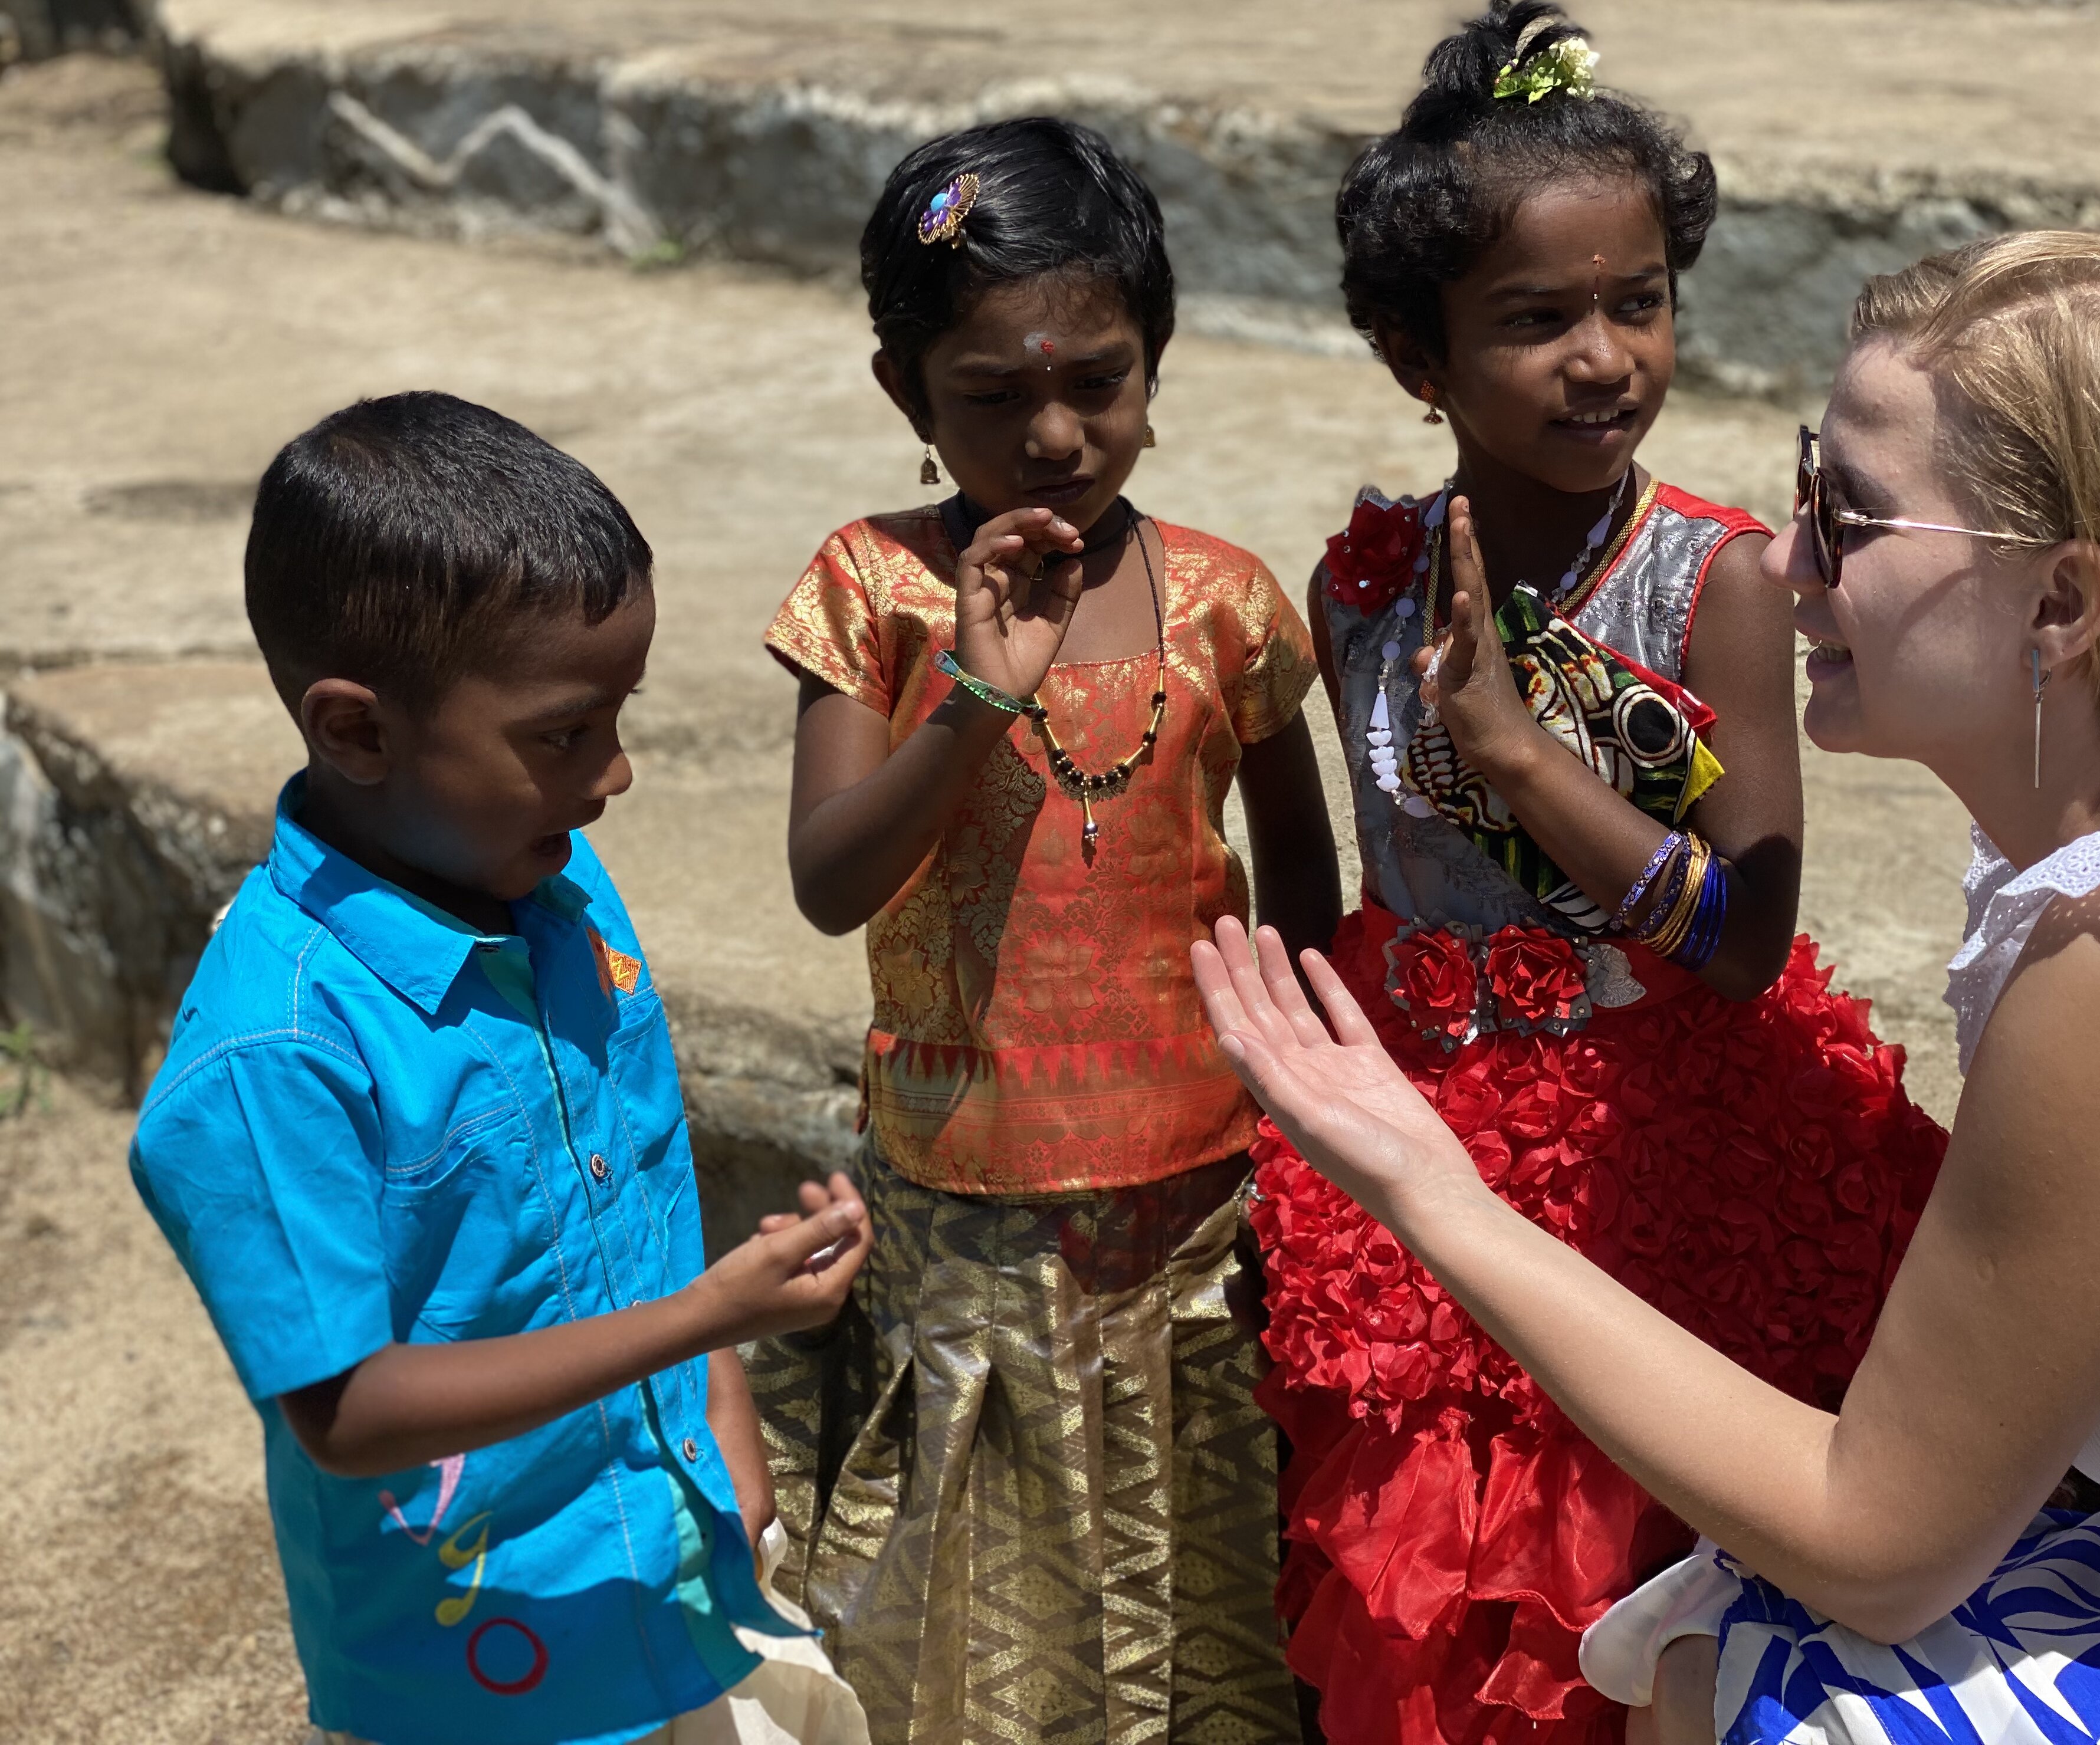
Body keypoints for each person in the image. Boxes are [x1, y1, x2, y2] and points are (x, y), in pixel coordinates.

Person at [1196, 226, 2100, 1745]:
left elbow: (1875, 1549)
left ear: (2065, 604)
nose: (1785, 555)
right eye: (1808, 488)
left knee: (1763, 1661)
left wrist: (1429, 1185)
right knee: (1712, 1625)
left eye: (1854, 519)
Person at [1254, 0, 1948, 1741]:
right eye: (1536, 320)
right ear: (1419, 358)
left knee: (1637, 1572)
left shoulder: (1712, 580)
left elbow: (1740, 933)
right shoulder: (1363, 586)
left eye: (1638, 304)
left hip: (1671, 1142)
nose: (1604, 358)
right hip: (1426, 1128)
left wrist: (1514, 752)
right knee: (1434, 1584)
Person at [128, 392, 872, 1745]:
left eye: (618, 717)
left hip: (677, 1569)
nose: (619, 773)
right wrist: (712, 1323)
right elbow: (351, 1412)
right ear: (357, 731)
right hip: (483, 1670)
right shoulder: (275, 1050)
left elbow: (635, 1176)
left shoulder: (560, 890)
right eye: (565, 734)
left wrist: (726, 1432)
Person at [748, 117, 1340, 1743]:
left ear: (1156, 363)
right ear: (907, 401)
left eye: (1100, 380)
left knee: (1206, 1580)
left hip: (1199, 1198)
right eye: (992, 399)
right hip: (970, 1204)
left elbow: (1302, 873)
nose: (1058, 433)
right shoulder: (870, 593)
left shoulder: (1226, 602)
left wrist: (1302, 1107)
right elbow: (828, 880)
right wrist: (971, 700)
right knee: (980, 1605)